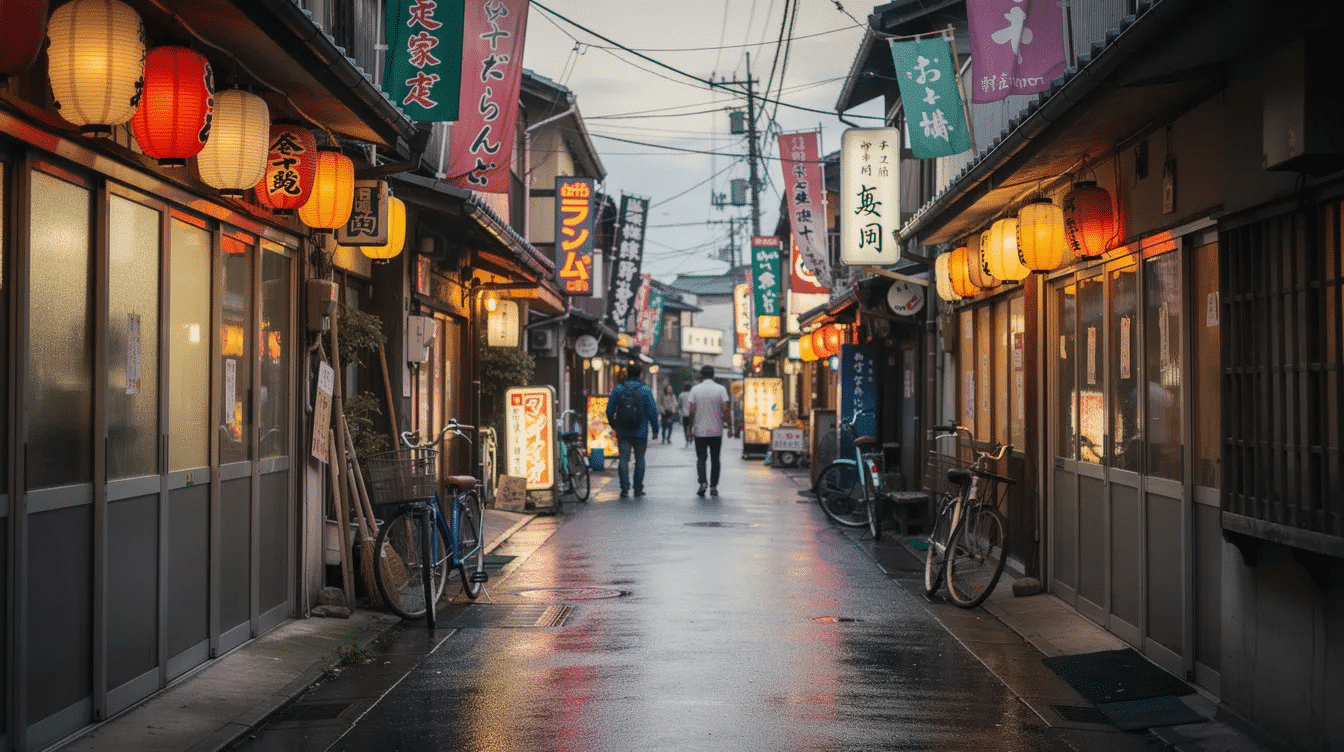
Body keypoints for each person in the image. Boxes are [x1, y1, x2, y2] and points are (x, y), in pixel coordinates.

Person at [605, 364, 659, 498]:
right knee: (640, 459)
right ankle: (638, 488)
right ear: (640, 374)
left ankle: (624, 488)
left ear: (627, 373)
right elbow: (653, 411)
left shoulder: (618, 388)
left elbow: (609, 409)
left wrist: (614, 425)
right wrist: (655, 429)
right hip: (641, 431)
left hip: (623, 430)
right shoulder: (645, 389)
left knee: (623, 458)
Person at [687, 365, 730, 497]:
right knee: (715, 459)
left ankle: (702, 482)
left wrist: (690, 429)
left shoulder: (695, 390)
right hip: (716, 431)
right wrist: (730, 426)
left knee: (701, 458)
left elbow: (691, 411)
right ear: (713, 375)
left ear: (701, 376)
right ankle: (713, 487)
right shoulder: (721, 389)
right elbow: (725, 409)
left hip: (700, 431)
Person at [677, 382, 694, 447]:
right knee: (691, 427)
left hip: (684, 414)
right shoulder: (692, 394)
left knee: (685, 428)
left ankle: (686, 440)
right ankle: (691, 438)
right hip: (691, 414)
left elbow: (679, 404)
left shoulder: (681, 395)